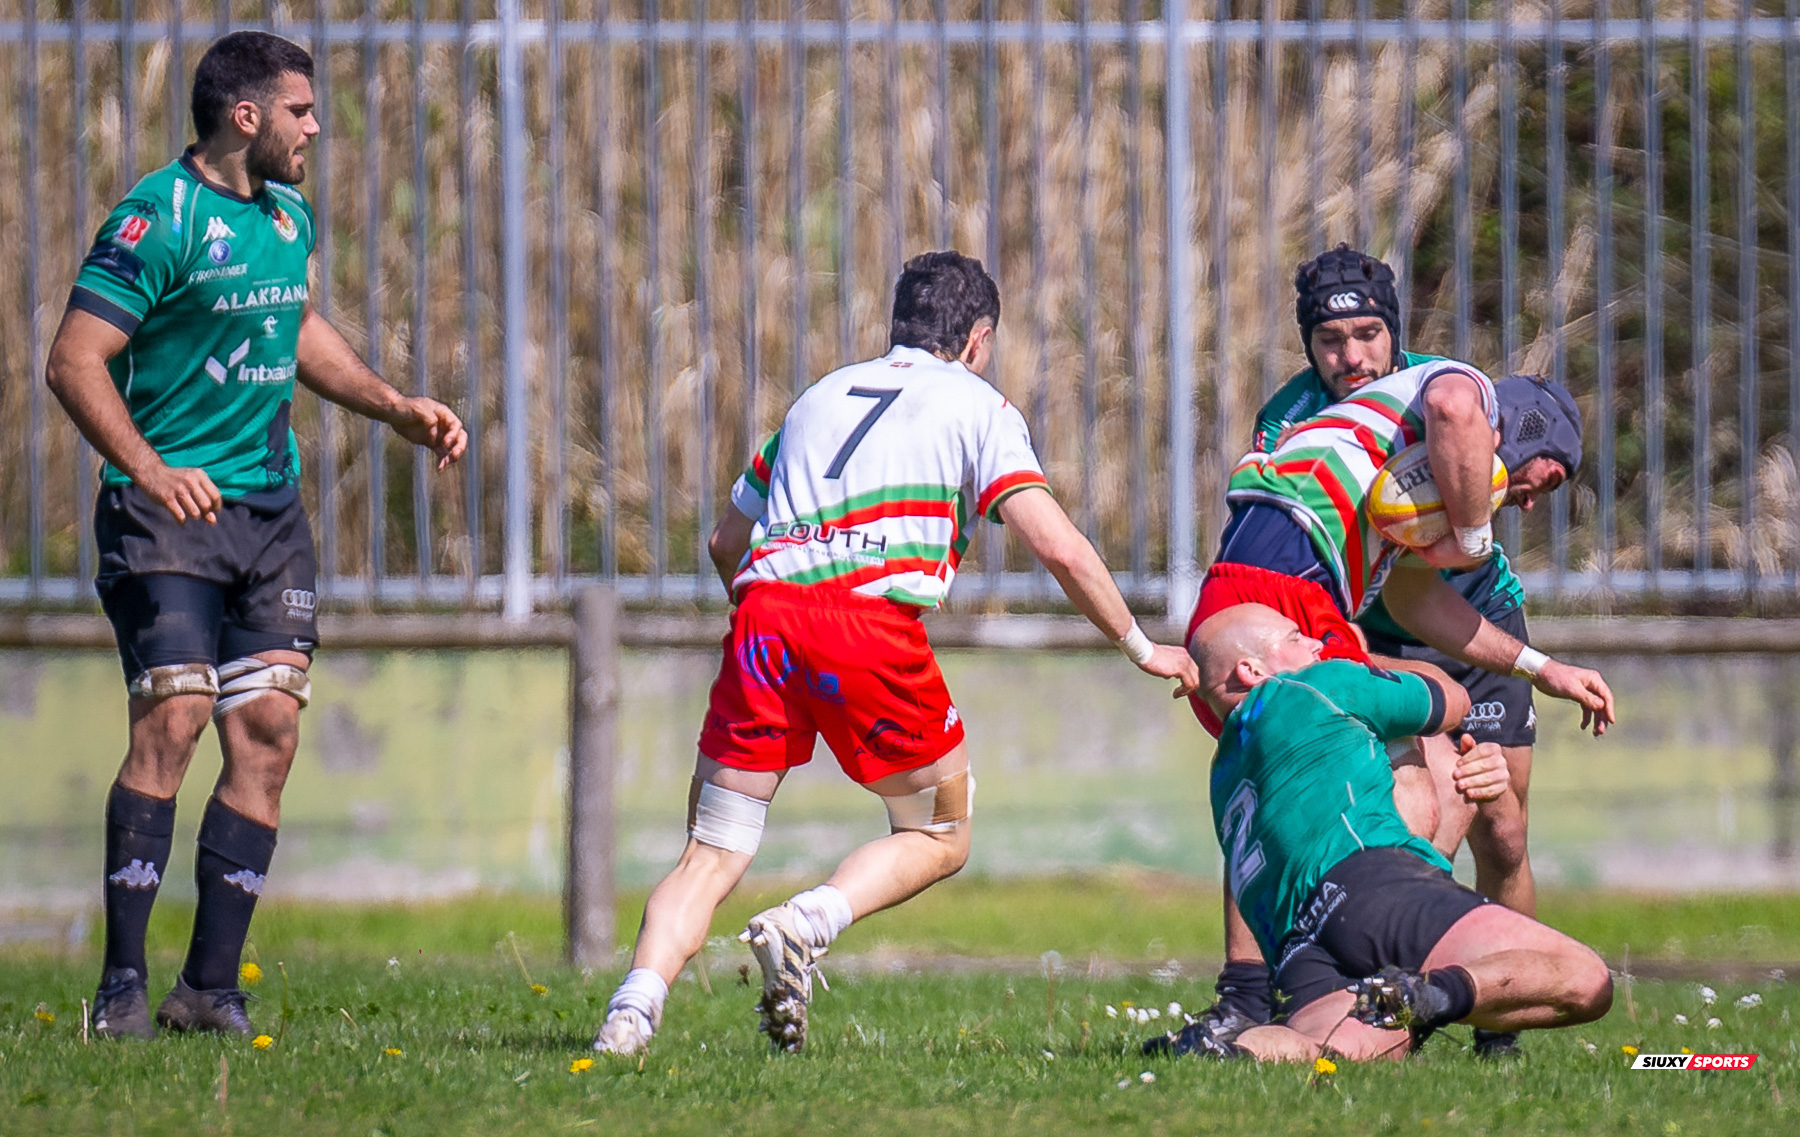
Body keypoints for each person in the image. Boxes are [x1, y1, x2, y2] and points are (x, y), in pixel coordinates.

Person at [593, 251, 1199, 1057]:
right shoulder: (977, 405)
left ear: (898, 325)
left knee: (711, 850)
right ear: (978, 340)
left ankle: (630, 1013)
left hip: (765, 618)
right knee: (941, 828)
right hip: (869, 627)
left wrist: (766, 620)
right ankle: (806, 923)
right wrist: (1139, 642)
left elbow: (724, 540)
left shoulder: (815, 398)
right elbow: (1057, 545)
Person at [45, 31, 467, 1039]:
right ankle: (119, 991)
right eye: (302, 111)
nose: (316, 128)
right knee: (176, 720)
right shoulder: (157, 219)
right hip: (163, 517)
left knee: (268, 733)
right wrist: (151, 467)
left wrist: (388, 403)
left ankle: (209, 988)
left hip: (268, 516)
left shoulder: (287, 212)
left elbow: (297, 322)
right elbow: (75, 360)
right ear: (248, 117)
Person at [1179, 249, 1615, 1055]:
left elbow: (1411, 592)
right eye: (1533, 479)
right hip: (1293, 593)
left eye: (1368, 332)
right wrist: (1475, 536)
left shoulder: (1387, 437)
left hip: (1283, 587)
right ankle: (1379, 959)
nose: (1526, 498)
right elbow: (1454, 405)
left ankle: (1311, 994)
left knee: (1368, 791)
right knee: (1431, 771)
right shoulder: (1458, 388)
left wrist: (1541, 668)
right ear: (1511, 430)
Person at [1153, 603, 1612, 1062]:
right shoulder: (1316, 685)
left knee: (1325, 1048)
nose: (1315, 643)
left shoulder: (1225, 773)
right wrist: (1364, 654)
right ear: (1251, 669)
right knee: (1586, 978)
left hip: (1297, 944)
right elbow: (1452, 700)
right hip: (1370, 885)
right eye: (1295, 638)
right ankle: (1430, 995)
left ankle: (1221, 1052)